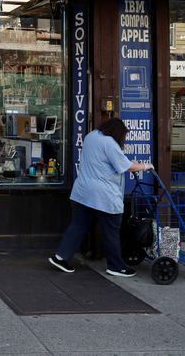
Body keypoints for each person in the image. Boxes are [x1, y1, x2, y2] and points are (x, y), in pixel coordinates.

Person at [48, 117, 154, 277]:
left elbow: (105, 161)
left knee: (78, 226)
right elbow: (126, 166)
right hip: (103, 196)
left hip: (82, 193)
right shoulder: (109, 143)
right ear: (118, 133)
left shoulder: (91, 136)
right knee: (111, 231)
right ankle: (116, 266)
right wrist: (146, 166)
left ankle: (60, 257)